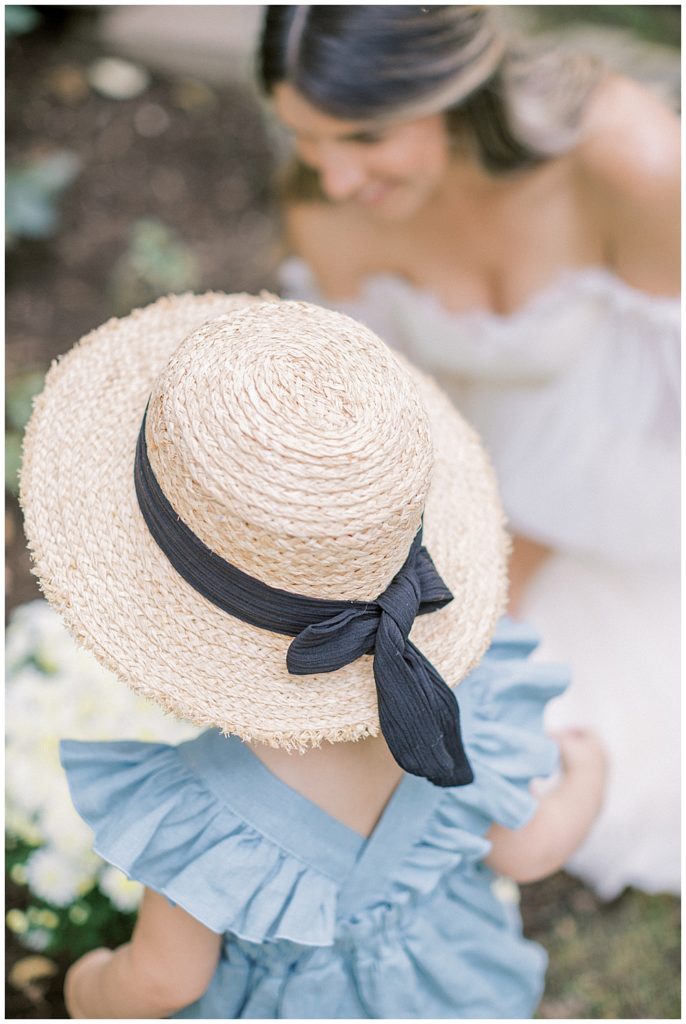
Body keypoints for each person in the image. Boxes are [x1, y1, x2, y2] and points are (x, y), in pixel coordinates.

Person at [20, 293, 604, 1018]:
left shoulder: (209, 814)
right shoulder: (460, 703)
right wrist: (587, 772)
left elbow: (164, 982)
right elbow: (526, 854)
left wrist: (85, 984)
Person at [259, 4, 680, 899]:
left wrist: (529, 547)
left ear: (456, 90)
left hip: (645, 486)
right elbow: (368, 410)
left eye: (366, 136)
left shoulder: (630, 162)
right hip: (476, 493)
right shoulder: (325, 205)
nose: (334, 177)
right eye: (305, 137)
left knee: (542, 775)